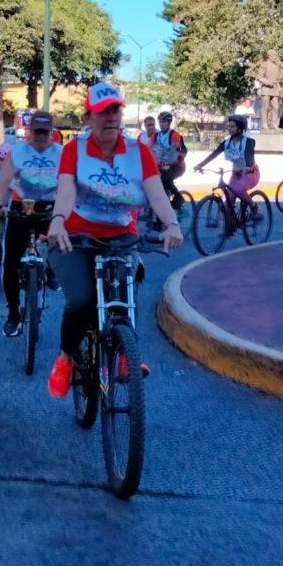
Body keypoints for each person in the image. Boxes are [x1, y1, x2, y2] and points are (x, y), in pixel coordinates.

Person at [45, 81, 183, 398]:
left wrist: (172, 224)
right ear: (87, 118)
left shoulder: (138, 152)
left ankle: (124, 353)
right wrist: (58, 220)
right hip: (75, 236)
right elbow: (65, 191)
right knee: (81, 301)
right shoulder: (74, 150)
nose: (110, 117)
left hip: (121, 236)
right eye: (102, 112)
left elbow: (156, 193)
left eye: (115, 111)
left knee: (125, 290)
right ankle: (66, 357)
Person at [0, 110, 63, 337]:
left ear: (51, 132)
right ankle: (13, 314)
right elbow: (4, 180)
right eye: (37, 131)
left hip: (50, 207)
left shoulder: (61, 153)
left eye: (45, 132)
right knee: (10, 264)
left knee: (63, 248)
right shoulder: (17, 152)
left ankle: (51, 270)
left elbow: (68, 184)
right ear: (30, 131)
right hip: (21, 207)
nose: (41, 136)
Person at [194, 114, 259, 208]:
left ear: (239, 129)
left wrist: (247, 167)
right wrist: (200, 165)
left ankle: (254, 206)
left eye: (232, 126)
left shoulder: (248, 142)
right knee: (227, 204)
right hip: (236, 174)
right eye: (229, 126)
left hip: (250, 173)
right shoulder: (226, 142)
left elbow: (248, 156)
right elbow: (213, 155)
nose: (229, 128)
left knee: (237, 189)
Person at [153, 111, 189, 213]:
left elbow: (173, 154)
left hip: (178, 166)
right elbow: (146, 148)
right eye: (160, 122)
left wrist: (164, 162)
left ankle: (178, 197)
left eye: (164, 122)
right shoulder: (157, 135)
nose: (162, 124)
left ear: (169, 123)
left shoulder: (174, 135)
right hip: (164, 165)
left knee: (164, 178)